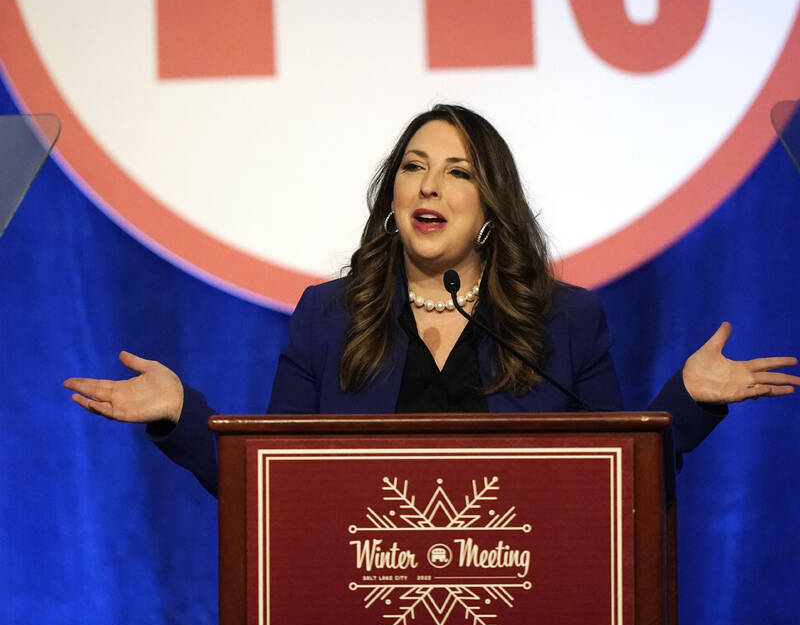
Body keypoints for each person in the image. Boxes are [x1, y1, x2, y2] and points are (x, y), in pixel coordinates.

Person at [64, 104, 799, 497]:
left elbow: (616, 480)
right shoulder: (330, 316)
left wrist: (689, 402)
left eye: (456, 172)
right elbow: (268, 487)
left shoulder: (564, 320)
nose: (428, 185)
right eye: (414, 166)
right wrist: (182, 414)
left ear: (488, 208)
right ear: (394, 194)